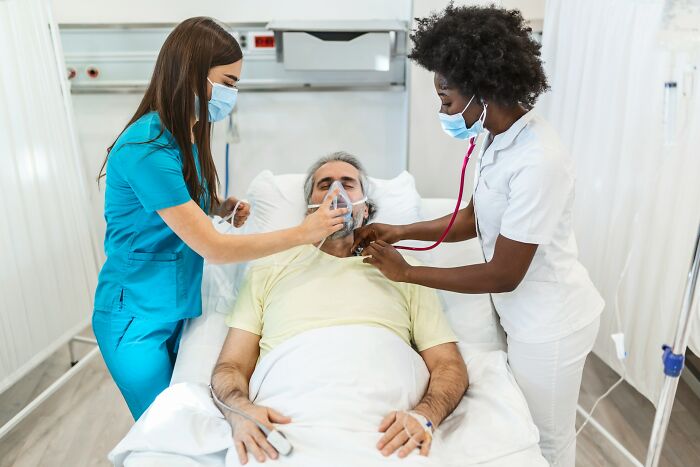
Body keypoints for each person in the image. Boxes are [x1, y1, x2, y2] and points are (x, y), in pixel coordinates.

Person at [353, 5, 604, 466]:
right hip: (521, 313)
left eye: (447, 98)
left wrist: (408, 273)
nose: (443, 109)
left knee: (545, 441)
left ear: (484, 90)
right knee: (521, 426)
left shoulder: (538, 160)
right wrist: (401, 229)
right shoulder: (496, 135)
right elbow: (475, 217)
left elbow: (505, 272)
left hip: (551, 322)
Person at [93, 17, 346, 421]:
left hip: (176, 304)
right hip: (135, 317)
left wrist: (218, 205)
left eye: (236, 84)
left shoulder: (187, 130)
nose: (232, 93)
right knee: (165, 429)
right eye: (227, 82)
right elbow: (214, 247)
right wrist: (305, 232)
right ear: (191, 75)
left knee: (189, 418)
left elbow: (180, 196)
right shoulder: (146, 147)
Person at [211, 152, 468, 464]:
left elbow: (448, 365)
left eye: (349, 184)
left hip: (384, 425)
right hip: (290, 416)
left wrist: (425, 416)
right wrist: (241, 412)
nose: (337, 193)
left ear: (367, 208)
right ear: (309, 209)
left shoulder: (406, 270)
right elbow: (231, 367)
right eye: (324, 185)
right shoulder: (268, 268)